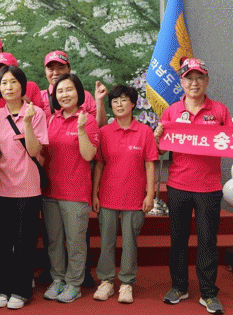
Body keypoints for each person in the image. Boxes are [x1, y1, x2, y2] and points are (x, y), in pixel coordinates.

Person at [154, 58, 232, 315]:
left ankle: (208, 293)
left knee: (208, 241)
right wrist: (157, 138)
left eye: (199, 77)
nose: (194, 83)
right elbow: (160, 149)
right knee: (178, 239)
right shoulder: (172, 112)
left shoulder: (219, 111)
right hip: (178, 185)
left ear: (207, 80)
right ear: (181, 82)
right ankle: (179, 287)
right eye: (189, 78)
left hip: (209, 187)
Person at [91, 85, 157, 304]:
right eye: (115, 101)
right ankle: (106, 281)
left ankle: (127, 283)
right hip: (108, 196)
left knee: (130, 242)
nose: (119, 104)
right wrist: (94, 193)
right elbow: (99, 164)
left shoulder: (145, 132)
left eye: (123, 100)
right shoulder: (104, 132)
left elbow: (150, 164)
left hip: (135, 197)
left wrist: (150, 195)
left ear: (133, 104)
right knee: (107, 242)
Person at [0, 66, 48, 310]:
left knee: (24, 243)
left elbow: (34, 150)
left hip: (27, 188)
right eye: (4, 83)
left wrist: (27, 123)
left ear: (23, 86)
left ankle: (21, 290)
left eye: (13, 82)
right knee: (1, 243)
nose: (9, 87)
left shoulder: (36, 113)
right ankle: (2, 289)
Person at [43, 73, 100, 304]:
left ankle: (74, 283)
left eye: (69, 89)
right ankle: (57, 279)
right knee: (54, 241)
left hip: (75, 193)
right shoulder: (51, 120)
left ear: (79, 93)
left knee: (75, 242)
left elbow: (89, 155)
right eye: (60, 91)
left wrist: (82, 129)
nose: (64, 95)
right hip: (50, 191)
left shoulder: (88, 120)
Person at [41, 50, 107, 126]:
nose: (56, 73)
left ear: (69, 70)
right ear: (45, 72)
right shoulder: (39, 97)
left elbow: (100, 127)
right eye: (51, 69)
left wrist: (99, 101)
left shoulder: (85, 96)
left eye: (60, 68)